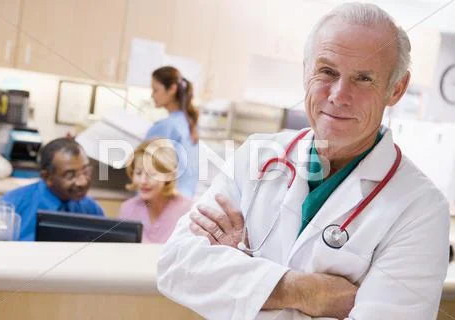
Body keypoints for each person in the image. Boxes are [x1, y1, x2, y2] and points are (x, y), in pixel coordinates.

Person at [157, 3, 450, 320]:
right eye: (327, 72)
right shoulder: (256, 156)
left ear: (396, 89)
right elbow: (176, 264)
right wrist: (305, 291)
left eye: (363, 78)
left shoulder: (421, 210)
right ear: (306, 71)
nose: (338, 94)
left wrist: (242, 278)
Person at [1, 138, 104, 241]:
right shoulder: (12, 205)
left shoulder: (92, 209)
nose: (83, 182)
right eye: (70, 175)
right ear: (47, 177)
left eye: (86, 171)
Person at [118, 138, 192, 243]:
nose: (143, 181)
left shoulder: (187, 210)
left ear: (169, 175)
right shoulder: (127, 209)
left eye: (151, 174)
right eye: (138, 173)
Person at [146, 66, 199, 198]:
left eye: (155, 90)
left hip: (164, 200)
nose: (152, 95)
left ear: (172, 89)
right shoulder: (189, 123)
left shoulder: (166, 126)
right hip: (184, 199)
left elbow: (146, 168)